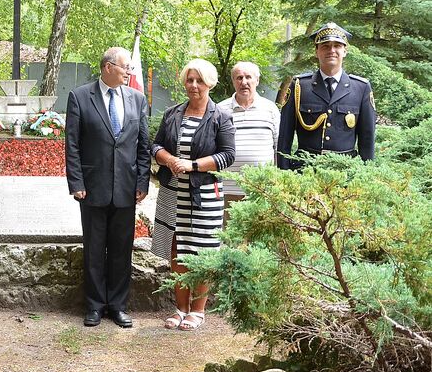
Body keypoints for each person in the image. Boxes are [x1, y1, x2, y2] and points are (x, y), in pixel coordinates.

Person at [65, 47, 151, 328]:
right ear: (108, 67)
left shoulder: (137, 99)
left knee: (121, 249)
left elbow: (143, 145)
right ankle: (94, 306)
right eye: (126, 67)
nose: (129, 72)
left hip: (126, 188)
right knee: (93, 249)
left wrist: (142, 182)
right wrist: (76, 182)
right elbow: (73, 144)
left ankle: (117, 306)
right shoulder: (79, 97)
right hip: (92, 188)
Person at [152, 59, 235, 331]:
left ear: (209, 83)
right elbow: (155, 146)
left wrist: (193, 165)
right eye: (190, 80)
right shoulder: (173, 113)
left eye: (199, 80)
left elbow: (228, 155)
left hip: (205, 194)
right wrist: (170, 160)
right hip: (174, 191)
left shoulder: (220, 117)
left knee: (202, 250)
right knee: (177, 248)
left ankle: (197, 310)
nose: (194, 85)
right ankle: (179, 307)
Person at [277, 22, 375, 170]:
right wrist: (283, 175)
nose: (332, 50)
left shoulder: (360, 88)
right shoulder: (299, 86)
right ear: (316, 52)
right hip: (304, 171)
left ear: (345, 51)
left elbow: (367, 139)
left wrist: (365, 177)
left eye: (337, 46)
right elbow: (285, 136)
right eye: (325, 46)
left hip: (345, 173)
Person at [216, 62, 280, 213]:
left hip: (261, 190)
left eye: (248, 77)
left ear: (257, 80)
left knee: (261, 235)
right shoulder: (220, 110)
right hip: (227, 190)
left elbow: (278, 148)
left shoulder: (270, 109)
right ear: (233, 81)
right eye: (239, 78)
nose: (243, 82)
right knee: (227, 235)